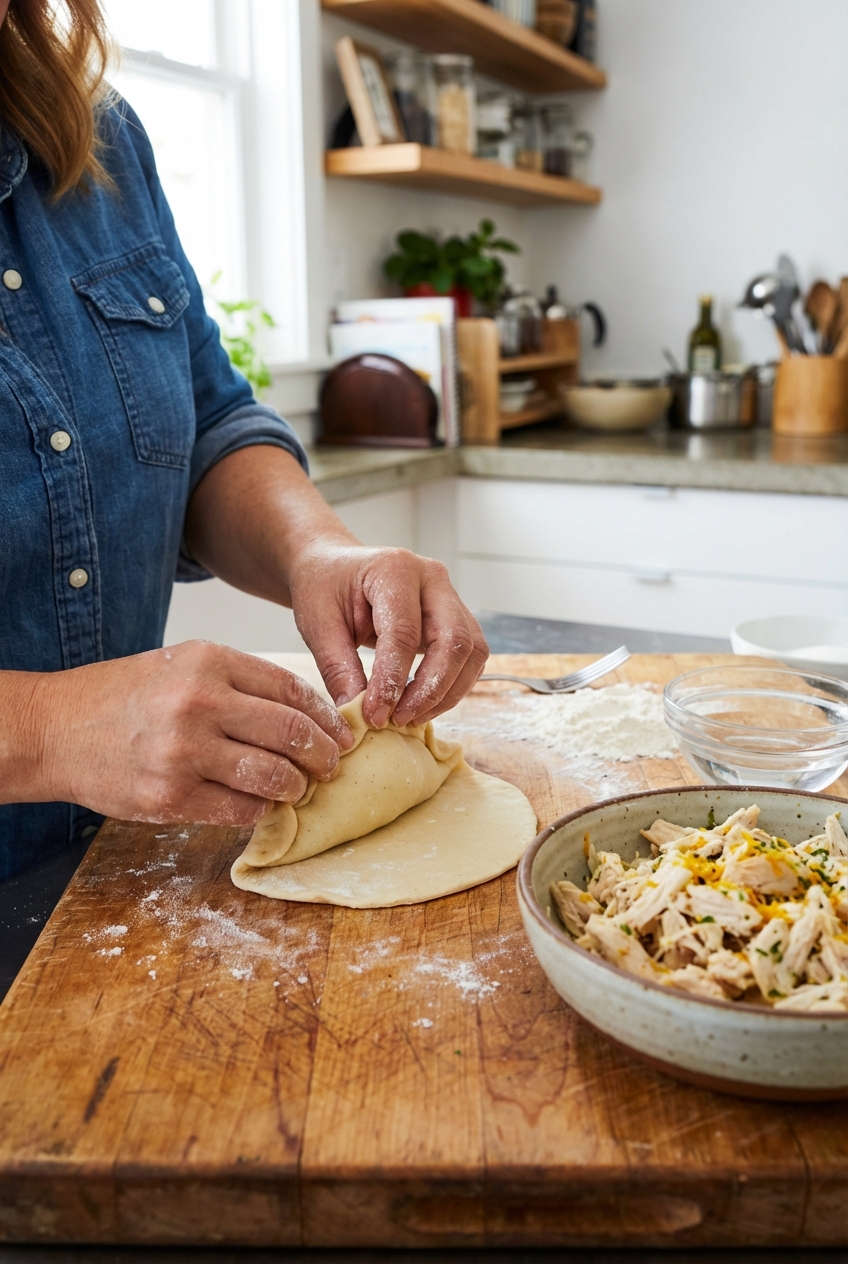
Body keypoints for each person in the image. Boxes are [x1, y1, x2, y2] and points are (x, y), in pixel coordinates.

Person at [0, 0, 488, 882]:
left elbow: (206, 424)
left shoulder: (93, 134)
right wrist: (47, 734)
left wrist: (316, 553)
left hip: (114, 875)